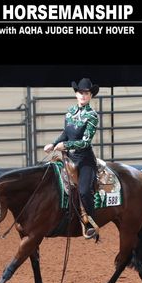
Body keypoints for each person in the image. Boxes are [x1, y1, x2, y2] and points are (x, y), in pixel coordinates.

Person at [44, 78, 99, 239]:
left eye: (86, 93)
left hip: (85, 159)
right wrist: (53, 144)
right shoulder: (69, 112)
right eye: (81, 92)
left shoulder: (92, 116)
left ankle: (90, 223)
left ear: (90, 96)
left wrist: (66, 145)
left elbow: (85, 142)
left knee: (83, 191)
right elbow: (65, 133)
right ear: (76, 94)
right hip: (69, 157)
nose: (83, 95)